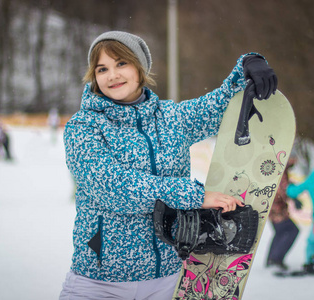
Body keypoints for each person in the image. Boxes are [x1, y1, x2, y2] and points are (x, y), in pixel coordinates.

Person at [61, 31, 277, 299]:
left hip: (169, 278)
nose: (112, 75)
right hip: (99, 283)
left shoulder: (172, 118)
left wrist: (249, 63)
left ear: (140, 67)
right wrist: (195, 196)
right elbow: (115, 188)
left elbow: (220, 103)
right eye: (102, 68)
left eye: (121, 63)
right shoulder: (83, 127)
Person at [266, 153, 300, 271]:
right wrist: (293, 196)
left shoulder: (279, 166)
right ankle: (276, 259)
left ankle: (271, 259)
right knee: (292, 230)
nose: (296, 161)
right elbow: (281, 189)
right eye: (294, 158)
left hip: (273, 207)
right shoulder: (281, 168)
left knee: (280, 232)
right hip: (276, 208)